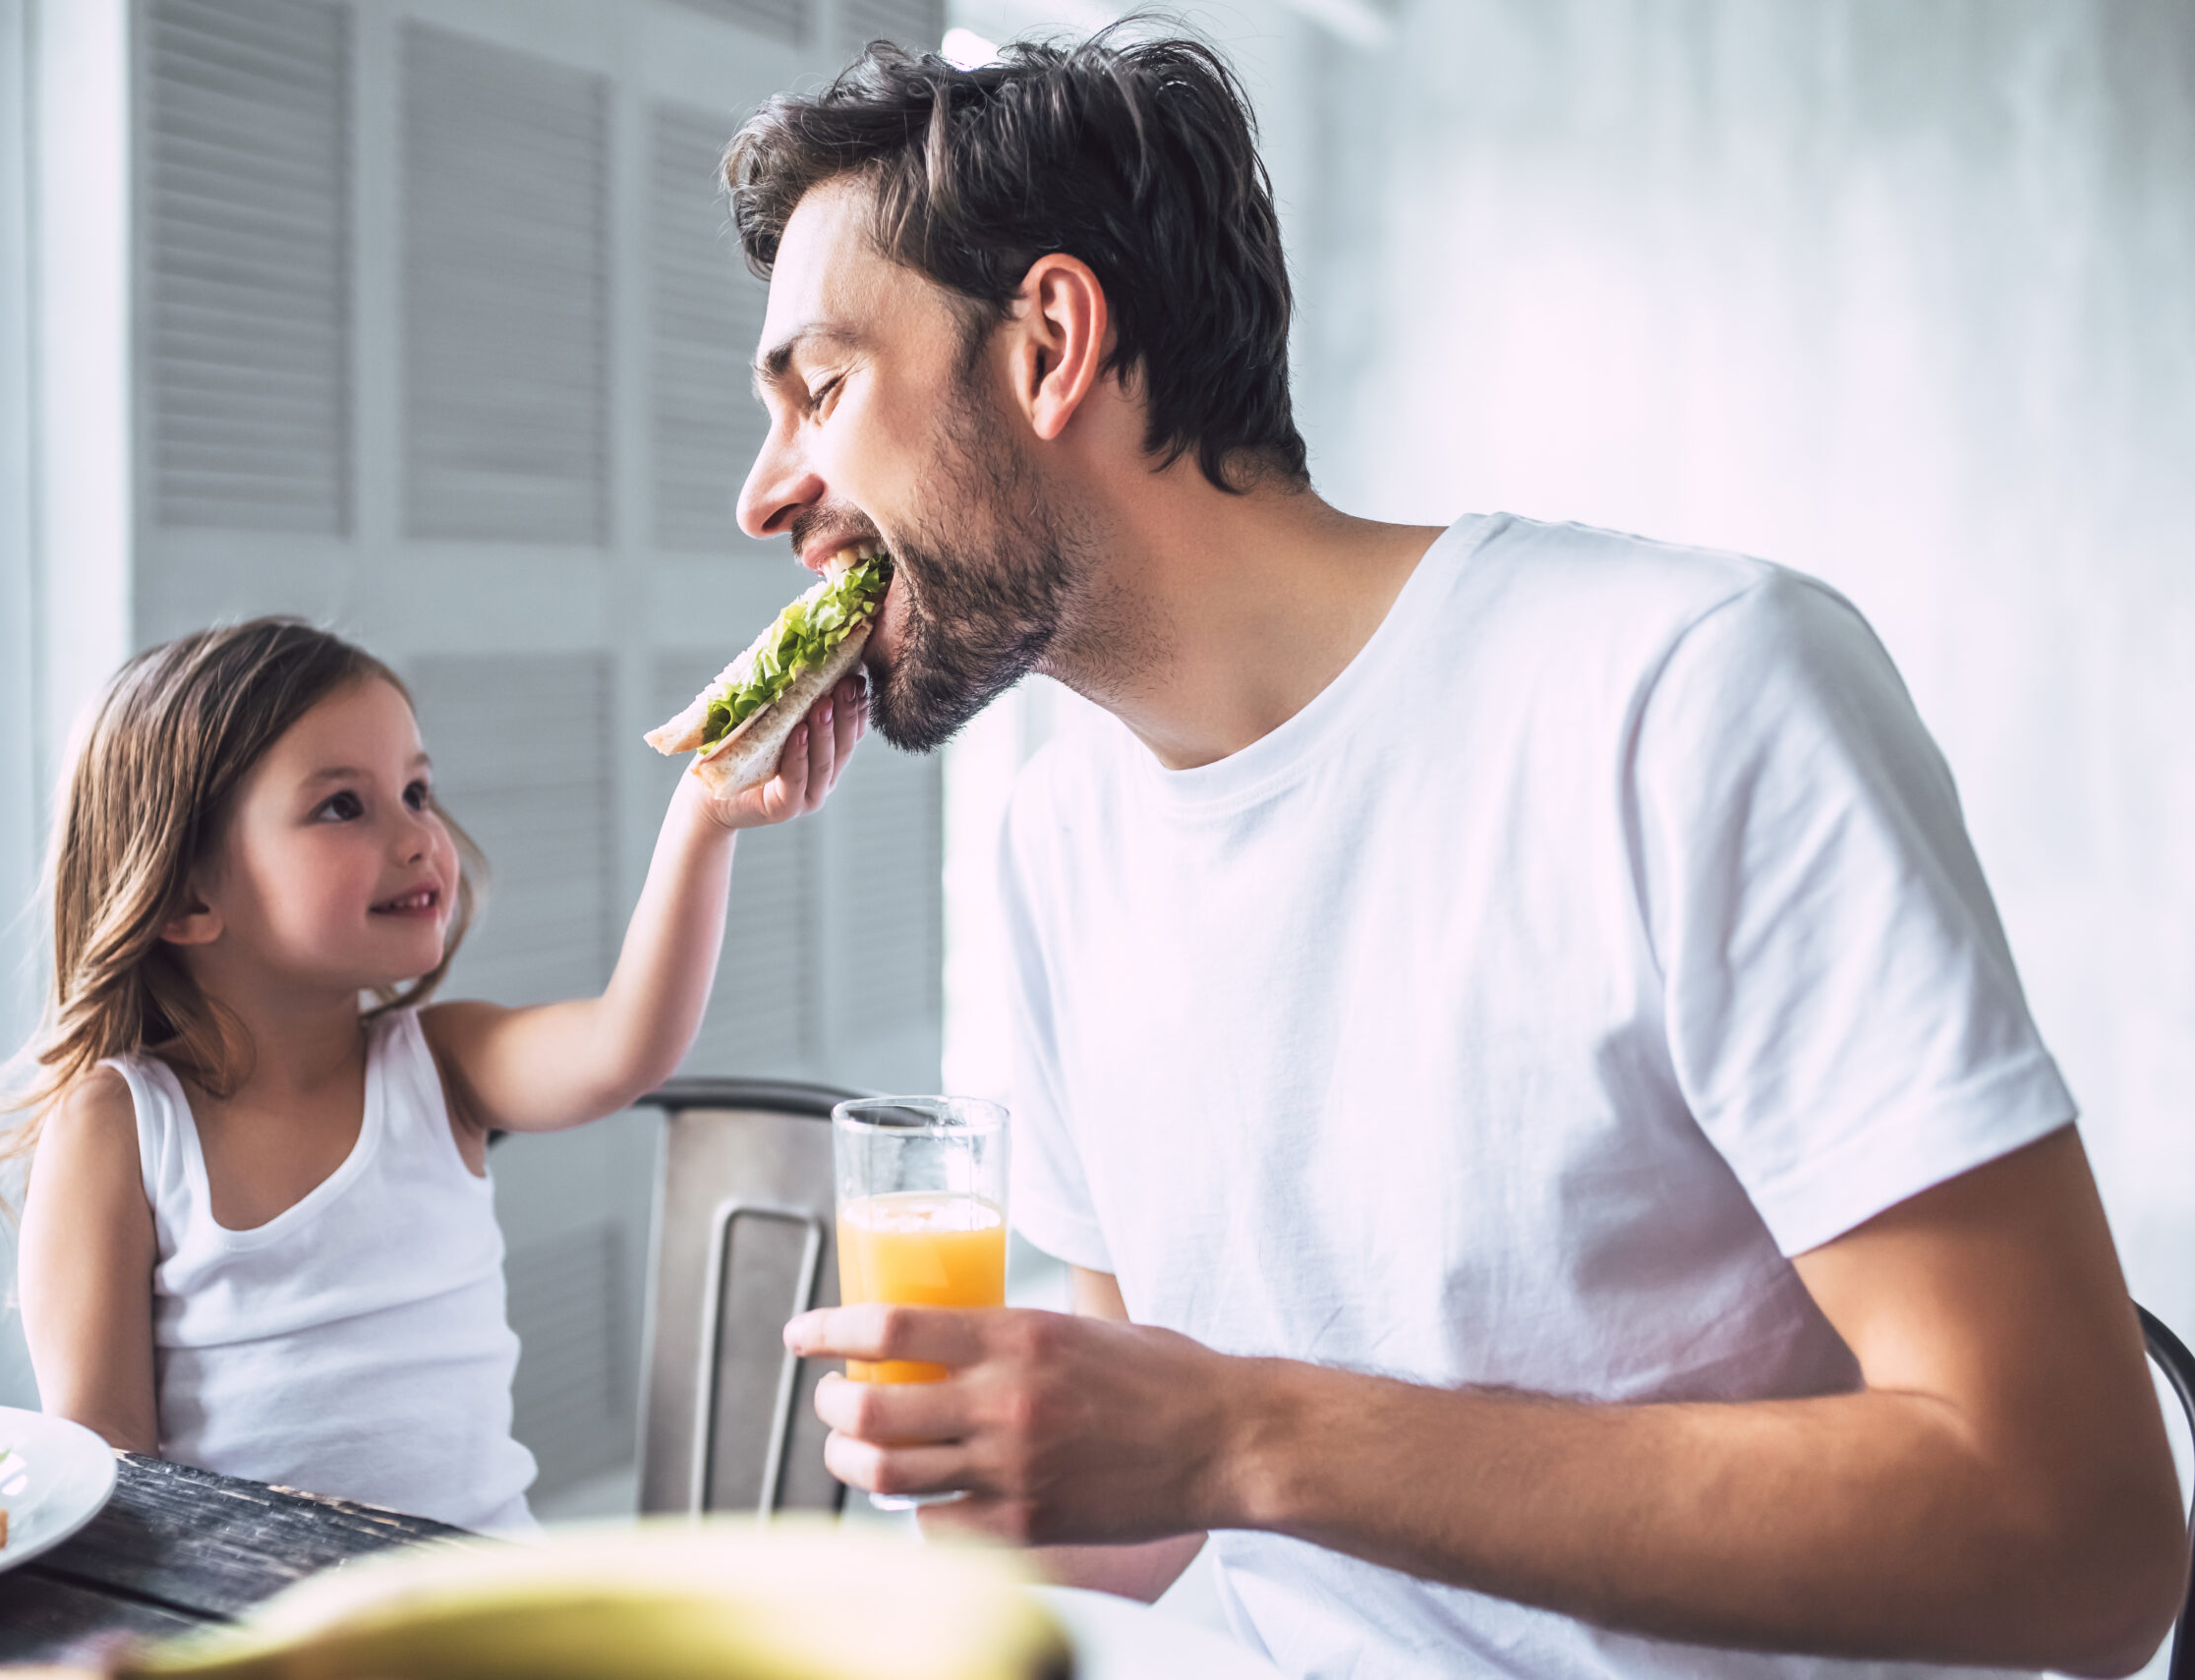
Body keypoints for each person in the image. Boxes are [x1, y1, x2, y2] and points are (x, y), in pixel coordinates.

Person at [740, 32, 2189, 1680]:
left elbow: (2082, 1537)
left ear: (1051, 344)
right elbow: (1140, 1525)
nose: (761, 495)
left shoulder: (1689, 690)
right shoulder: (1059, 844)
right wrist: (988, 1448)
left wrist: (1243, 1430)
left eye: (820, 387)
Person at [0, 618, 862, 1533]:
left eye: (417, 790)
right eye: (344, 805)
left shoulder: (441, 1064)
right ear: (187, 895)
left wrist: (705, 814)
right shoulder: (120, 1125)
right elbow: (110, 1468)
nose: (421, 837)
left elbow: (627, 1045)